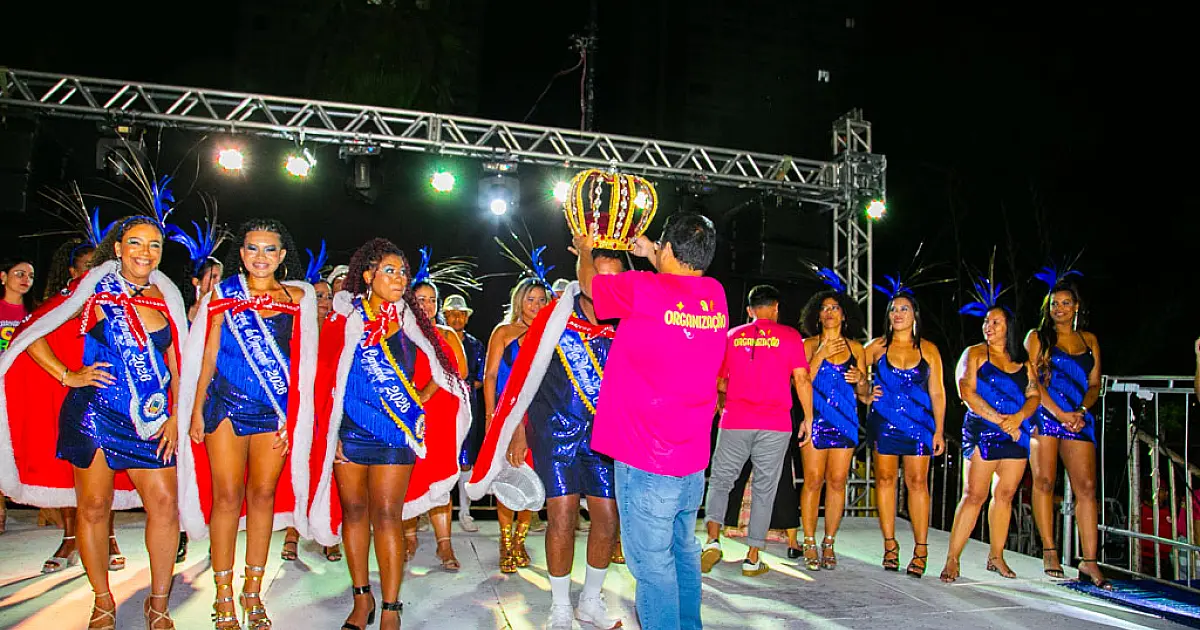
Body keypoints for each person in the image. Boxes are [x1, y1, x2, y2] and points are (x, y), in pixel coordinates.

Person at [0, 217, 194, 629]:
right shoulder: (92, 290)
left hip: (151, 422)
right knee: (93, 508)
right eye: (136, 243)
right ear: (119, 249)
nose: (145, 252)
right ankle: (102, 599)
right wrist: (67, 375)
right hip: (95, 414)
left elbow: (179, 364)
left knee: (164, 505)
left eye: (154, 245)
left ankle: (158, 602)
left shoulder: (168, 297)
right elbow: (33, 331)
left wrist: (177, 414)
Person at [307, 238, 469, 630]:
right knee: (355, 514)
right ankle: (362, 600)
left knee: (387, 515)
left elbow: (445, 372)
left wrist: (417, 399)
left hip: (397, 433)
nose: (399, 279)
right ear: (368, 275)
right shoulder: (344, 319)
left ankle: (392, 608)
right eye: (390, 271)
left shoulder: (413, 321)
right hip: (350, 432)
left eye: (403, 272)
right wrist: (332, 435)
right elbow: (325, 379)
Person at [584, 212, 728, 630]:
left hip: (647, 458)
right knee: (683, 553)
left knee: (652, 566)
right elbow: (674, 288)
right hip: (691, 460)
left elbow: (594, 288)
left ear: (667, 249)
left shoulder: (642, 287)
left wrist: (586, 250)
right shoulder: (714, 294)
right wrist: (652, 252)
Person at [473, 247, 627, 629]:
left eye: (614, 277)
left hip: (604, 437)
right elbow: (523, 380)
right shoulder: (554, 320)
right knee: (561, 515)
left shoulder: (625, 322)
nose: (605, 284)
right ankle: (560, 606)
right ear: (584, 274)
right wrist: (519, 430)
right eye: (598, 272)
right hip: (555, 432)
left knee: (607, 517)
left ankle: (591, 600)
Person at [177, 219, 318, 629]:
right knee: (226, 497)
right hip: (224, 405)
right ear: (241, 254)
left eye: (270, 249)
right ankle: (223, 594)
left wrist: (296, 417)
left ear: (282, 255)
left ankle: (252, 591)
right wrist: (196, 409)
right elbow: (207, 353)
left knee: (263, 496)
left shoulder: (297, 299)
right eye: (253, 248)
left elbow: (304, 363)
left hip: (273, 412)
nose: (261, 257)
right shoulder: (222, 294)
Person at [701, 284, 812, 578]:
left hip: (735, 419)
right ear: (775, 307)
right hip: (774, 424)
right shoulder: (790, 337)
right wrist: (809, 418)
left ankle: (712, 540)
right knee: (765, 489)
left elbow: (719, 382)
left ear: (750, 310)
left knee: (721, 481)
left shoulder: (731, 336)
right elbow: (801, 379)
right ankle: (752, 558)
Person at [32, 240, 127, 572]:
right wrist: (67, 376)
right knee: (72, 474)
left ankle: (110, 537)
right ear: (73, 272)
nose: (92, 272)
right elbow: (32, 334)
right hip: (68, 395)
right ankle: (69, 538)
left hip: (108, 397)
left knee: (105, 475)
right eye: (86, 266)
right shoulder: (62, 303)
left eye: (97, 266)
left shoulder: (117, 299)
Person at [939, 294, 1040, 582]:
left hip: (1015, 433)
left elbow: (1034, 394)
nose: (989, 326)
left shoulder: (1023, 361)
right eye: (986, 321)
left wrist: (1018, 419)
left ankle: (996, 556)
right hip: (984, 431)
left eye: (996, 322)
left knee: (1005, 495)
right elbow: (966, 392)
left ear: (1010, 326)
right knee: (974, 495)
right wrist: (1000, 421)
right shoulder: (974, 354)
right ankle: (952, 559)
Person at [1024, 266, 1110, 589]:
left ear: (1076, 307)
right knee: (1044, 481)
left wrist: (1081, 410)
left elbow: (1094, 384)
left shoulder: (1090, 341)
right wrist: (1060, 413)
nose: (1059, 308)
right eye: (1054, 303)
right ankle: (1049, 549)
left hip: (1078, 418)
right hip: (1047, 415)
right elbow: (1032, 381)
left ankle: (1090, 561)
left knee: (1086, 487)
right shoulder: (1037, 337)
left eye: (1065, 303)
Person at [862, 279, 947, 578]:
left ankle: (921, 549)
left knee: (917, 483)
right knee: (885, 480)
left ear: (915, 315)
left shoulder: (929, 350)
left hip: (920, 424)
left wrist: (939, 430)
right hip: (885, 423)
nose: (898, 314)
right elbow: (856, 374)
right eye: (893, 309)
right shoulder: (876, 347)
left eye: (904, 309)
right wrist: (865, 392)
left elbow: (938, 392)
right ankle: (890, 545)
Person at [797, 273, 867, 570]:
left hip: (846, 420)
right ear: (817, 314)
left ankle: (829, 542)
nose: (829, 312)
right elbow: (799, 381)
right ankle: (809, 540)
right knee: (813, 480)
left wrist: (862, 380)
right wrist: (821, 354)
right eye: (824, 308)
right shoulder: (808, 344)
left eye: (834, 308)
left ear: (844, 314)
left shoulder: (856, 348)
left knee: (837, 482)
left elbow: (864, 394)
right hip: (815, 419)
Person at [482, 276, 550, 572]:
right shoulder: (504, 331)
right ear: (519, 300)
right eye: (530, 299)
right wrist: (489, 417)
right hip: (507, 415)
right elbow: (490, 377)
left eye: (541, 300)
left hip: (540, 417)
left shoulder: (550, 334)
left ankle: (521, 540)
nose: (535, 305)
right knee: (509, 478)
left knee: (533, 480)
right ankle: (506, 542)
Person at [406, 266, 470, 571]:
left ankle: (445, 545)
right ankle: (408, 537)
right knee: (408, 475)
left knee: (440, 476)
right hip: (407, 413)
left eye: (432, 300)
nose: (427, 305)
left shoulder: (446, 334)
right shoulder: (400, 331)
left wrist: (429, 391)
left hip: (441, 413)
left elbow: (462, 371)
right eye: (420, 299)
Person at [282, 242, 342, 563]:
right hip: (301, 412)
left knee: (327, 472)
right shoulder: (296, 329)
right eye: (318, 296)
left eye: (328, 296)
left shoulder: (341, 330)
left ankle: (328, 535)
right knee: (297, 470)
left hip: (330, 414)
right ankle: (292, 533)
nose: (324, 301)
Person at [442, 293, 486, 532]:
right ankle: (433, 512)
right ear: (444, 315)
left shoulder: (475, 345)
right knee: (441, 459)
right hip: (440, 408)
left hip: (467, 408)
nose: (456, 318)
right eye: (452, 314)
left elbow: (480, 377)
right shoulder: (436, 339)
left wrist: (461, 386)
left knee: (466, 461)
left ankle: (465, 512)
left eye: (461, 314)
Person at [1, 258, 35, 536]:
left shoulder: (33, 315)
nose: (25, 279)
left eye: (30, 276)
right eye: (19, 274)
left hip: (20, 391)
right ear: (3, 277)